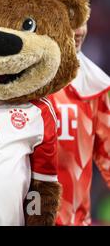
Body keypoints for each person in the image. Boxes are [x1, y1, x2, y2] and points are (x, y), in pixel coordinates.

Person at [48, 21, 110, 225]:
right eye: (69, 21)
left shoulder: (97, 88)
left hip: (73, 220)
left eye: (82, 21)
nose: (79, 31)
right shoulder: (15, 83)